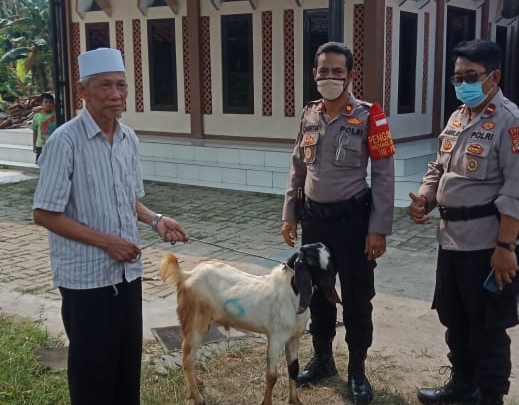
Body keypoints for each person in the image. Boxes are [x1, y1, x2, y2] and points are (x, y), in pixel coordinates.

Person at [32, 47, 189, 405]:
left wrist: (156, 220)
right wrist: (107, 243)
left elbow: (127, 198)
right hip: (86, 281)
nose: (116, 94)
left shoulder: (127, 139)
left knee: (125, 368)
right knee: (92, 373)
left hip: (127, 275)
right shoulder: (65, 142)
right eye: (105, 85)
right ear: (83, 90)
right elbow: (44, 213)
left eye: (121, 85)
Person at [281, 41, 395, 404]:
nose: (330, 77)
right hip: (315, 222)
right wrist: (289, 214)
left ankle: (357, 370)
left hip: (354, 224)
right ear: (315, 74)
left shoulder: (370, 116)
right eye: (323, 71)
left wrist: (378, 228)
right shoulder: (309, 114)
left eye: (337, 72)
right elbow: (298, 167)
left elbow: (384, 175)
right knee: (316, 295)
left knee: (358, 299)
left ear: (350, 75)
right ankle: (323, 359)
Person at [408, 40, 519, 405]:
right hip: (450, 240)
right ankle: (462, 386)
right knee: (454, 319)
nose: (463, 84)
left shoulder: (510, 122)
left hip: (487, 247)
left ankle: (490, 397)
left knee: (487, 329)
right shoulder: (458, 117)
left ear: (494, 77)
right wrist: (425, 197)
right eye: (458, 78)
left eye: (471, 76)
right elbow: (438, 168)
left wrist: (505, 247)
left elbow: (515, 190)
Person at [32, 92, 57, 163]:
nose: (48, 104)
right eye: (46, 102)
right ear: (41, 104)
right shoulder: (36, 116)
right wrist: (34, 145)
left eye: (50, 102)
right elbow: (35, 131)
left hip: (54, 146)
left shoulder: (57, 115)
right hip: (41, 146)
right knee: (42, 166)